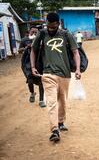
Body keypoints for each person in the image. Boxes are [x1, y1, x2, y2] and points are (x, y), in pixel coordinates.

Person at [30, 12, 81, 142]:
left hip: (64, 74)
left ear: (58, 24)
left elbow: (75, 52)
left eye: (53, 27)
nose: (50, 29)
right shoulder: (42, 34)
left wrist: (78, 69)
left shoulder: (66, 34)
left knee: (62, 101)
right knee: (51, 102)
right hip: (47, 74)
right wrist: (32, 67)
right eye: (49, 26)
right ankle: (54, 130)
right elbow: (33, 50)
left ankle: (60, 122)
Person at [19, 27, 46, 108]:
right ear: (29, 31)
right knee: (30, 79)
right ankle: (32, 93)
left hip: (40, 61)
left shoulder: (41, 38)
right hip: (28, 62)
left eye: (36, 32)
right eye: (32, 31)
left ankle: (41, 100)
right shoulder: (24, 40)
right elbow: (19, 50)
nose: (34, 33)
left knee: (41, 80)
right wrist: (27, 47)